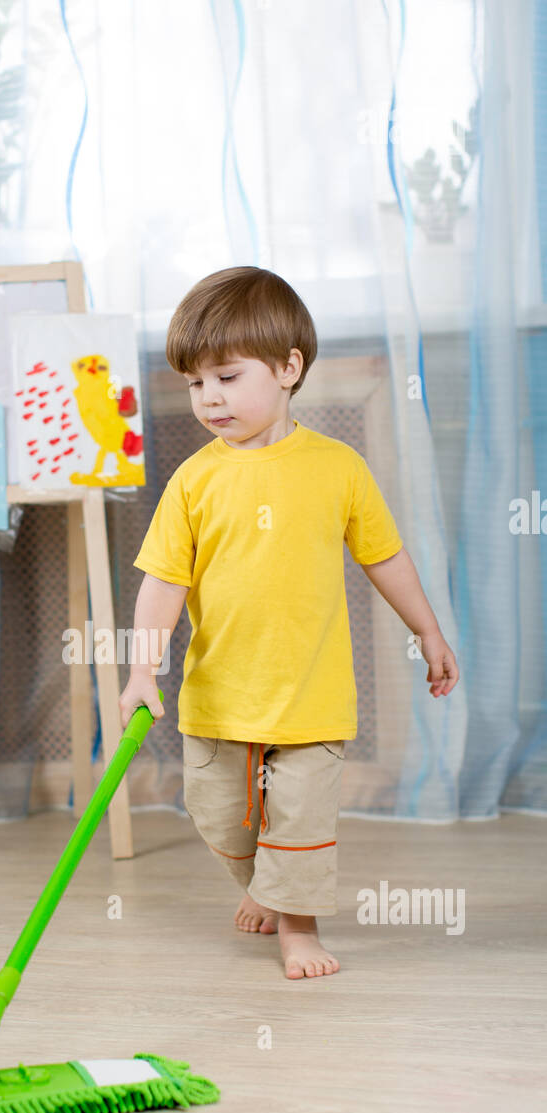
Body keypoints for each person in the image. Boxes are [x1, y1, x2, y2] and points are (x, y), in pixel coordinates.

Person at [119, 266, 459, 980]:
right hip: (218, 701)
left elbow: (385, 558)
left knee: (299, 819)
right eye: (195, 383)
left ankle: (296, 926)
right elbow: (162, 584)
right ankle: (266, 888)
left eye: (227, 377)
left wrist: (426, 630)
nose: (209, 397)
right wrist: (141, 668)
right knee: (220, 817)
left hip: (311, 697)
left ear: (288, 367)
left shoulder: (338, 468)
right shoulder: (193, 481)